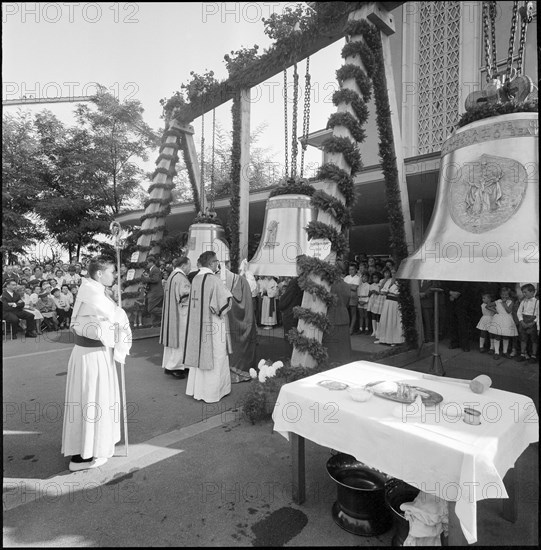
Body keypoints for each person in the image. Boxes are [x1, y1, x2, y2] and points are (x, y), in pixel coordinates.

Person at [61, 256, 132, 472]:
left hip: (93, 354)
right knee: (92, 400)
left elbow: (108, 320)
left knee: (91, 400)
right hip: (91, 356)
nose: (115, 276)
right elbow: (113, 318)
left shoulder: (93, 289)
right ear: (99, 273)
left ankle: (91, 446)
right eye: (112, 272)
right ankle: (86, 453)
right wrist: (120, 322)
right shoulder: (92, 292)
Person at [182, 251, 233, 403]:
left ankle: (198, 390)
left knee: (200, 355)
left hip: (197, 326)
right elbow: (223, 304)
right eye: (216, 261)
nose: (218, 264)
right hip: (213, 326)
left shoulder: (195, 279)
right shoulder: (214, 280)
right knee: (215, 355)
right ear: (211, 263)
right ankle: (212, 393)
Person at [222, 261, 257, 383]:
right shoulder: (242, 281)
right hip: (242, 321)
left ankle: (224, 375)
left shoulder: (215, 280)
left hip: (224, 320)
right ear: (229, 265)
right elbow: (251, 295)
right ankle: (241, 374)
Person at [159, 256, 192, 380]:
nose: (190, 268)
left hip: (172, 313)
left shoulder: (172, 276)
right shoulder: (181, 278)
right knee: (180, 340)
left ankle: (173, 364)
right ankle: (175, 367)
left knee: (173, 342)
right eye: (189, 265)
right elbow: (185, 296)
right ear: (183, 266)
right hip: (180, 314)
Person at [322, 269, 351, 365]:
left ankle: (333, 363)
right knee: (344, 344)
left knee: (332, 344)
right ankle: (345, 363)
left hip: (332, 316)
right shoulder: (347, 286)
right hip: (344, 315)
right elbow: (347, 302)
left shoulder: (329, 286)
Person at [278, 257, 304, 355]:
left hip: (291, 315)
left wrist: (282, 299)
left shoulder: (295, 282)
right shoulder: (308, 281)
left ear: (300, 267)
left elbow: (284, 302)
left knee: (290, 344)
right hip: (301, 315)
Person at [375, 269, 405, 345]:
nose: (393, 274)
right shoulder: (388, 281)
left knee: (393, 321)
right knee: (385, 320)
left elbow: (399, 294)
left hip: (395, 303)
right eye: (392, 273)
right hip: (387, 302)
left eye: (394, 273)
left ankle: (394, 340)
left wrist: (389, 292)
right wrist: (388, 289)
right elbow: (382, 291)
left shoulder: (401, 282)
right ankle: (382, 338)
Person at [488, 286, 518, 360]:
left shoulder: (510, 302)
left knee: (505, 336)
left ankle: (505, 352)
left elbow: (508, 311)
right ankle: (496, 352)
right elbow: (487, 306)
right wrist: (495, 311)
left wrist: (504, 303)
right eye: (503, 295)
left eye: (506, 295)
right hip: (498, 319)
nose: (504, 296)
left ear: (509, 295)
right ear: (500, 294)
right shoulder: (497, 301)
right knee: (497, 336)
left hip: (507, 320)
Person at [444, 281, 472, 351]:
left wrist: (458, 293)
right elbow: (443, 284)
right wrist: (450, 293)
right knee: (452, 322)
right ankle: (454, 342)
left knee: (463, 323)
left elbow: (466, 284)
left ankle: (465, 345)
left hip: (462, 301)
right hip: (450, 301)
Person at [516, 283, 538, 363]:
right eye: (523, 292)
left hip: (533, 322)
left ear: (532, 292)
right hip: (523, 321)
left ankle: (533, 355)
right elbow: (519, 312)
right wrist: (521, 321)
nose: (524, 294)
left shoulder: (537, 302)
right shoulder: (523, 302)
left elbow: (538, 314)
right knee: (523, 339)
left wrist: (533, 322)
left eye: (525, 292)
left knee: (534, 340)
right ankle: (522, 354)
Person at [140, 256, 164, 326]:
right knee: (151, 308)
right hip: (153, 292)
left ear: (151, 262)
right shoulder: (152, 270)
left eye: (147, 262)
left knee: (150, 309)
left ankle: (166, 312)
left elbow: (155, 279)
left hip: (155, 293)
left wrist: (145, 278)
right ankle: (156, 323)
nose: (146, 264)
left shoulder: (155, 269)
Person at [343, 263, 360, 334]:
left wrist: (348, 285)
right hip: (346, 296)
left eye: (352, 269)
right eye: (350, 269)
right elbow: (343, 287)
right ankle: (345, 328)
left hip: (353, 297)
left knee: (353, 313)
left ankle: (351, 329)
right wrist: (350, 285)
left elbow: (354, 288)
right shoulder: (346, 277)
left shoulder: (358, 278)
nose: (351, 271)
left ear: (355, 270)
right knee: (346, 313)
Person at [367, 272, 384, 337]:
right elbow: (368, 294)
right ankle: (374, 330)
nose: (374, 279)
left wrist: (376, 292)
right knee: (373, 315)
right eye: (373, 278)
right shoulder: (371, 285)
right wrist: (371, 292)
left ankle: (378, 330)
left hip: (378, 301)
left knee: (378, 315)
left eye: (376, 278)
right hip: (372, 301)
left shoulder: (380, 284)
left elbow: (381, 293)